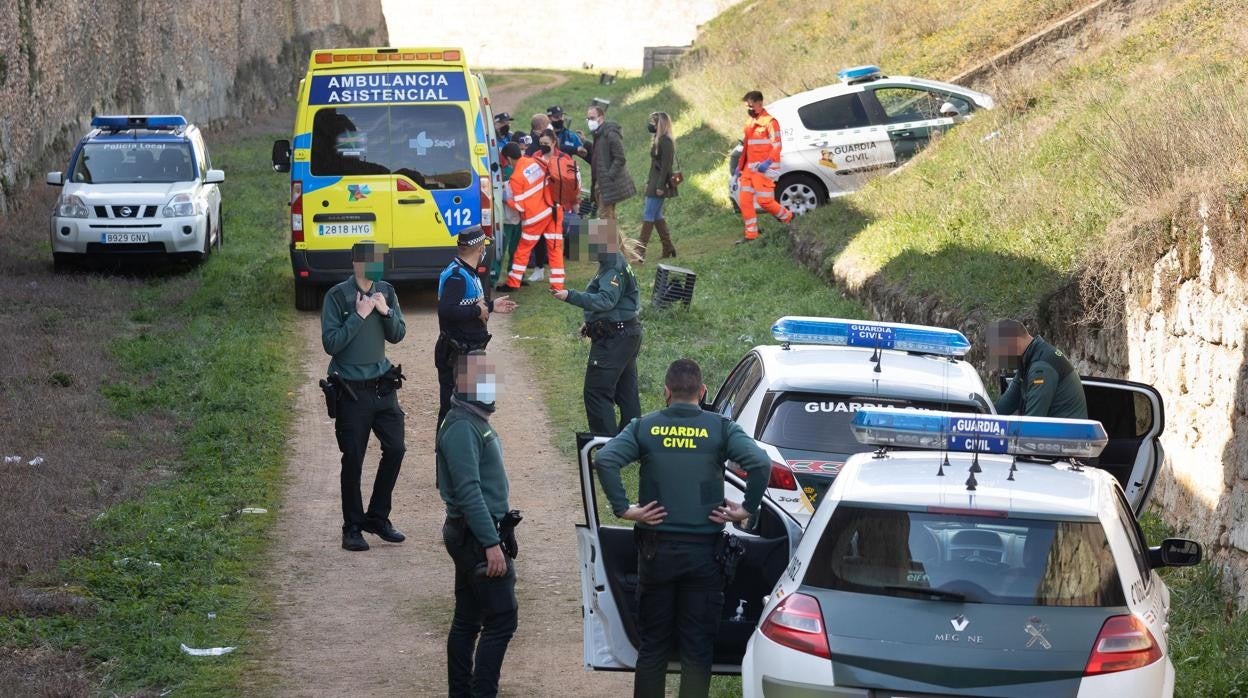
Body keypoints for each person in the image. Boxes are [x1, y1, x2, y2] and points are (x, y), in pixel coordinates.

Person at [594, 358, 770, 698]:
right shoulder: (720, 428)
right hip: (704, 557)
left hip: (656, 552)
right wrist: (746, 509)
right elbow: (759, 462)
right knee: (697, 651)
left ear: (666, 392)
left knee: (653, 648)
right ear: (702, 392)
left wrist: (625, 509)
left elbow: (605, 459)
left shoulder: (644, 427)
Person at [438, 351, 519, 698]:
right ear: (460, 384)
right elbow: (468, 491)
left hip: (474, 532)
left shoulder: (472, 421)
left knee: (468, 619)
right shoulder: (461, 427)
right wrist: (490, 543)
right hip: (475, 536)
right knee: (501, 620)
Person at [320, 241, 407, 551]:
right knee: (353, 458)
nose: (376, 266)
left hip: (382, 386)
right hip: (351, 392)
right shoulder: (337, 296)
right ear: (356, 263)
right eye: (371, 260)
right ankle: (353, 526)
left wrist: (384, 312)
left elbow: (398, 334)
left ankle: (378, 518)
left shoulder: (387, 291)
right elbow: (331, 344)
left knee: (396, 448)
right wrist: (358, 316)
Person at [551, 220, 641, 435]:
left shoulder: (613, 266)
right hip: (625, 334)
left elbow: (606, 300)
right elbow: (616, 303)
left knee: (597, 392)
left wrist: (569, 295)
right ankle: (631, 443)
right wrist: (590, 321)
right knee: (626, 393)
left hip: (615, 338)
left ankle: (607, 449)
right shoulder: (611, 262)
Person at [437, 226, 517, 425]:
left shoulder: (468, 272)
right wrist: (477, 311)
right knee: (453, 411)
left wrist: (490, 307)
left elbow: (468, 306)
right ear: (480, 248)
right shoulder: (457, 276)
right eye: (485, 246)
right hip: (458, 355)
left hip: (472, 352)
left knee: (482, 407)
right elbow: (446, 310)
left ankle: (473, 450)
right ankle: (446, 453)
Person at [988, 319, 1088, 419]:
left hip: (1065, 433)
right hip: (1053, 430)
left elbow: (1032, 423)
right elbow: (1004, 406)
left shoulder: (1041, 368)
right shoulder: (1029, 360)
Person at [502, 139, 565, 291]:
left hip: (536, 217)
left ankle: (513, 283)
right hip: (554, 209)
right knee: (555, 248)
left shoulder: (516, 178)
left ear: (509, 159)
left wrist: (506, 200)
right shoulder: (535, 161)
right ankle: (557, 285)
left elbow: (519, 206)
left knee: (523, 249)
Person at [735, 90, 794, 243]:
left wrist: (768, 162)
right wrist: (739, 167)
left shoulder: (770, 122)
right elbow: (747, 147)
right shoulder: (750, 123)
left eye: (750, 105)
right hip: (749, 169)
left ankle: (787, 217)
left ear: (759, 104)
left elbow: (777, 145)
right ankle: (751, 235)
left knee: (764, 201)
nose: (748, 108)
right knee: (744, 201)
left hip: (764, 169)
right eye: (747, 106)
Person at [638, 111, 677, 263]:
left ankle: (639, 251)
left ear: (660, 124)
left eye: (653, 123)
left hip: (660, 183)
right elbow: (654, 165)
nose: (651, 125)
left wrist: (660, 185)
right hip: (654, 181)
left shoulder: (665, 141)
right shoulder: (658, 139)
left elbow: (667, 165)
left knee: (649, 214)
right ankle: (668, 247)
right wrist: (649, 181)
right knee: (656, 215)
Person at [586, 104, 636, 221]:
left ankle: (609, 239)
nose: (589, 121)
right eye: (588, 119)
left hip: (607, 183)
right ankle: (617, 240)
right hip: (601, 183)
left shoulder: (610, 133)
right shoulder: (598, 134)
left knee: (605, 218)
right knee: (609, 218)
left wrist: (609, 176)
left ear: (601, 118)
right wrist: (584, 142)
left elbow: (620, 158)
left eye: (592, 118)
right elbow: (600, 153)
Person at [491, 142, 525, 291]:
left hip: (512, 217)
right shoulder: (508, 172)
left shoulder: (507, 172)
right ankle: (500, 277)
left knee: (506, 250)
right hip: (511, 217)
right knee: (512, 250)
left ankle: (502, 278)